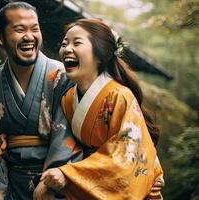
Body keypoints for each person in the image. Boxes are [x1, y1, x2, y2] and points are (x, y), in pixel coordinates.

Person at [0, 1, 82, 199]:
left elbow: (70, 138)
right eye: (19, 30)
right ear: (0, 37)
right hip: (11, 189)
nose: (29, 36)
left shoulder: (63, 78)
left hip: (57, 189)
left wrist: (51, 184)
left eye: (35, 29)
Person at [38, 18, 165, 200]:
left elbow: (125, 158)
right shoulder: (67, 100)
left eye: (77, 43)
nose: (66, 49)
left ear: (100, 55)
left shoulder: (119, 96)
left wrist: (68, 174)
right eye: (64, 43)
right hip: (90, 184)